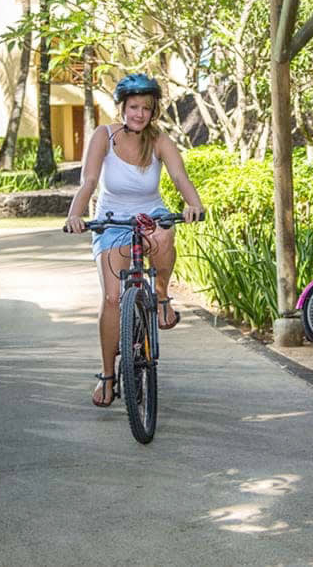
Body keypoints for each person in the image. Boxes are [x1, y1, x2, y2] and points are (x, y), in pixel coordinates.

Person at [62, 73, 204, 407]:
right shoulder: (104, 136)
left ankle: (161, 295)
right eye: (134, 107)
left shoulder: (159, 140)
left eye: (146, 108)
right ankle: (107, 376)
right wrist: (75, 214)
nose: (139, 114)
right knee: (112, 298)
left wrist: (194, 204)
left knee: (164, 233)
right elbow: (89, 180)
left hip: (150, 214)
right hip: (112, 220)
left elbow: (179, 176)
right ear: (122, 108)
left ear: (153, 111)